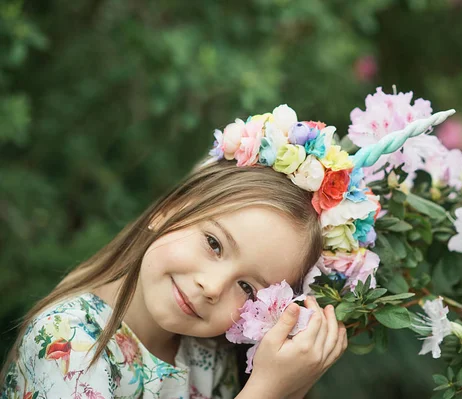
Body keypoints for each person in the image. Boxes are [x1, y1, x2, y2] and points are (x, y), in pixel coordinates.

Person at [0, 105, 352, 398]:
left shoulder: (208, 362)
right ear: (166, 210)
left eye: (247, 288)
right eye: (213, 244)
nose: (212, 288)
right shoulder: (68, 341)